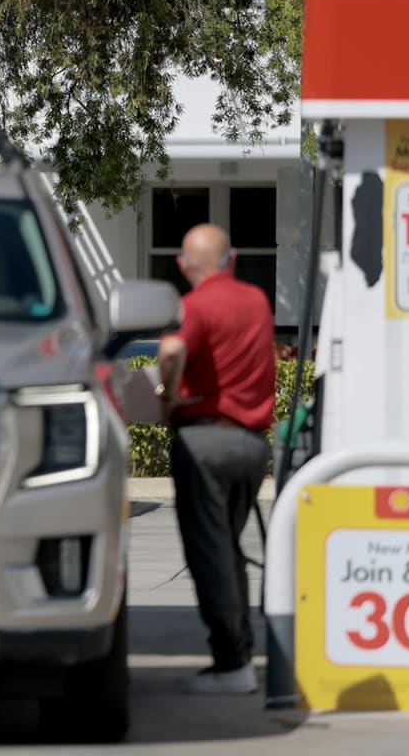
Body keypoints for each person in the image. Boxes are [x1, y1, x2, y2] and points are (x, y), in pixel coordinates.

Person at [155, 223, 275, 695]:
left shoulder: (195, 305)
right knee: (229, 550)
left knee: (208, 554)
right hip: (251, 444)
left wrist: (167, 395)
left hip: (205, 442)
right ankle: (239, 653)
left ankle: (231, 663)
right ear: (234, 258)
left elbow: (172, 348)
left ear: (185, 267)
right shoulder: (257, 301)